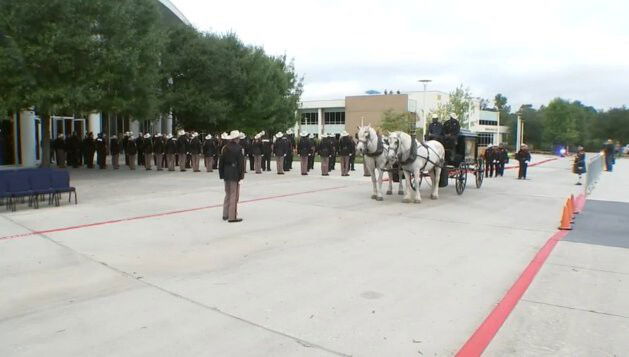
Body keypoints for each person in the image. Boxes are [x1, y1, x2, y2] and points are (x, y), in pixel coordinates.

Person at [219, 130, 245, 223]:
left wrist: (221, 174)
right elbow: (241, 164)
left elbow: (221, 162)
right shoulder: (239, 148)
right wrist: (241, 176)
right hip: (234, 172)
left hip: (226, 172)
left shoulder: (224, 148)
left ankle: (225, 214)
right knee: (234, 195)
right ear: (236, 139)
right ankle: (232, 216)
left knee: (228, 194)